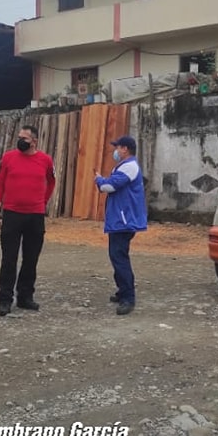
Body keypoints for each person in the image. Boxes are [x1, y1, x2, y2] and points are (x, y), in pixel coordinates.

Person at [0, 125, 56, 317]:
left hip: (35, 216)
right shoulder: (8, 158)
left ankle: (25, 296)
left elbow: (51, 181)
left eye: (24, 138)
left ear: (34, 141)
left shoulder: (45, 160)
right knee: (9, 259)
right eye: (19, 137)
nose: (20, 141)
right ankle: (5, 299)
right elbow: (0, 183)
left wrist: (43, 201)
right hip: (12, 214)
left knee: (31, 258)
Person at [94, 135, 147, 316]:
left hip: (124, 220)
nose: (115, 151)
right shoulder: (125, 166)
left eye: (117, 147)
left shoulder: (129, 166)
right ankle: (122, 291)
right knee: (117, 255)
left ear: (125, 149)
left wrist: (99, 180)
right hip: (121, 219)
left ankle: (128, 298)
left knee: (119, 257)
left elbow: (110, 186)